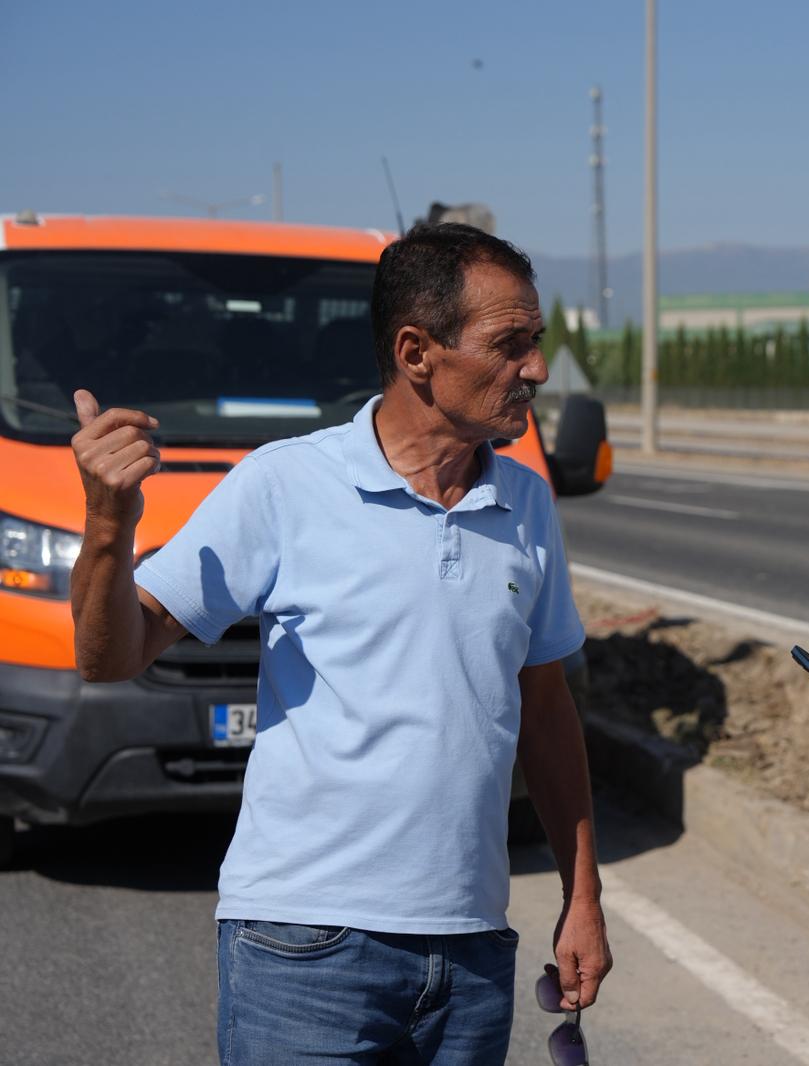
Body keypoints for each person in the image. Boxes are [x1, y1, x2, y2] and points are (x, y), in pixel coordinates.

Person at [69, 223, 612, 1065]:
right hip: (304, 950)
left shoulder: (528, 504)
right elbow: (111, 655)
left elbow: (545, 712)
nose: (536, 368)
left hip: (471, 952)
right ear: (416, 352)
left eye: (535, 341)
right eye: (511, 344)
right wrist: (109, 526)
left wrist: (583, 897)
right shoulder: (284, 484)